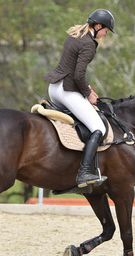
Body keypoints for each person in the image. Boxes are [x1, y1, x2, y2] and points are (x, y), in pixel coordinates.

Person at [43, 9, 115, 188]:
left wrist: (88, 89)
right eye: (106, 30)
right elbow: (78, 75)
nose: (106, 34)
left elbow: (73, 71)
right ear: (98, 26)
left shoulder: (75, 36)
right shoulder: (88, 44)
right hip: (67, 90)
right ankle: (83, 173)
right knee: (98, 127)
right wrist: (88, 93)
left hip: (54, 88)